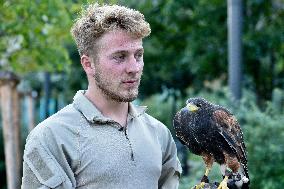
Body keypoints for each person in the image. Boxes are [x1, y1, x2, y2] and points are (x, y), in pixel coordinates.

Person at [21, 3, 182, 189]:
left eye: (138, 55)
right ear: (88, 64)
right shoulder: (52, 137)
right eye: (120, 57)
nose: (134, 68)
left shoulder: (159, 133)